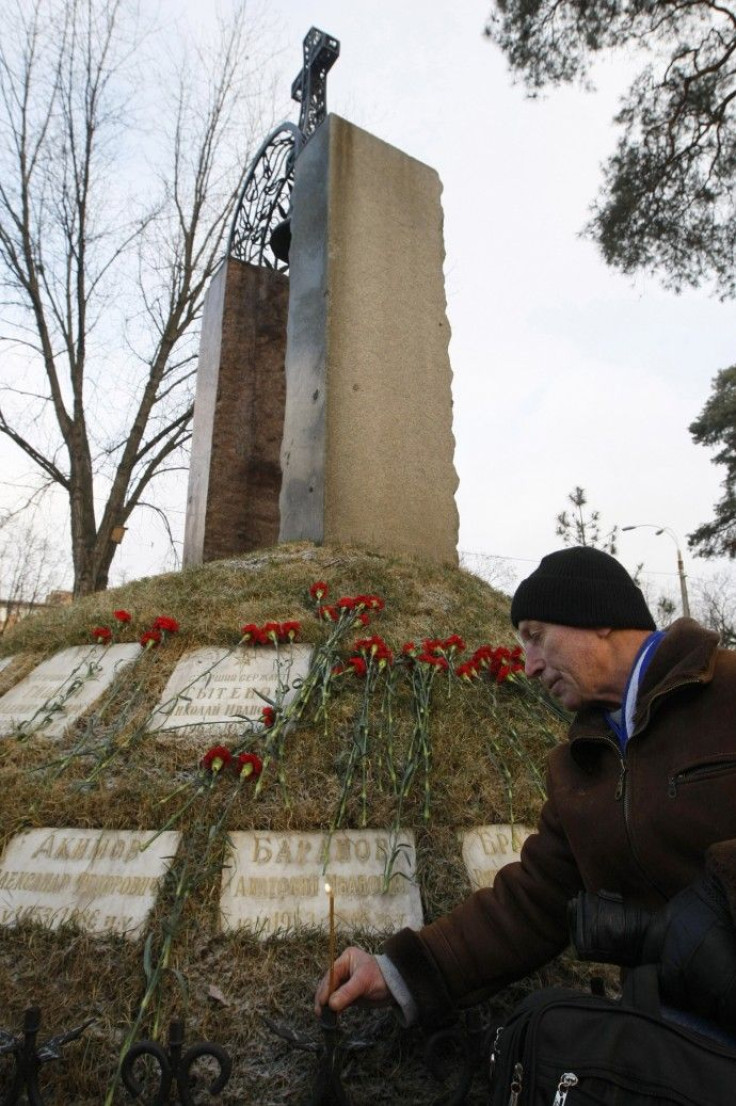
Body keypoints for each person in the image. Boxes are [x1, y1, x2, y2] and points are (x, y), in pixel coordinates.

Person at [315, 547, 736, 1034]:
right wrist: (398, 974)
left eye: (537, 637)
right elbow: (533, 902)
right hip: (679, 1038)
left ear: (598, 617)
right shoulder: (579, 765)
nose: (529, 666)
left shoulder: (726, 691)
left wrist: (710, 911)